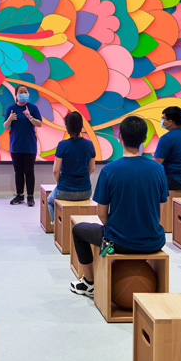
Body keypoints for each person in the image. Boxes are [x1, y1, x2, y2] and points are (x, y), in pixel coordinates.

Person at [69, 116, 167, 297]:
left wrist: (116, 229)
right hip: (154, 241)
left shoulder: (109, 170)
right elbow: (160, 209)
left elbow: (101, 214)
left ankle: (89, 283)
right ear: (144, 138)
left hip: (119, 243)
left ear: (120, 136)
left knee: (78, 230)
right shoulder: (158, 169)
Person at [48, 111, 96, 222]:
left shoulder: (62, 145)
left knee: (50, 200)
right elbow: (92, 169)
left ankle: (56, 226)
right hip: (85, 191)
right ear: (81, 126)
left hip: (64, 190)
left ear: (67, 126)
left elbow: (55, 170)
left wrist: (60, 183)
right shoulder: (89, 144)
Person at [4, 85, 42, 206]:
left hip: (30, 145)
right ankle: (19, 195)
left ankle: (30, 196)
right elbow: (5, 126)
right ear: (16, 95)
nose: (24, 94)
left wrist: (30, 117)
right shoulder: (11, 109)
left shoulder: (33, 108)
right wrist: (10, 118)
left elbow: (39, 123)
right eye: (21, 92)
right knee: (18, 171)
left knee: (29, 171)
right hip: (16, 145)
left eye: (26, 92)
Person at [153, 106, 181, 191]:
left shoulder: (167, 138)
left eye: (163, 118)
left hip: (175, 181)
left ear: (170, 121)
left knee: (143, 179)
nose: (161, 120)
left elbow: (155, 164)